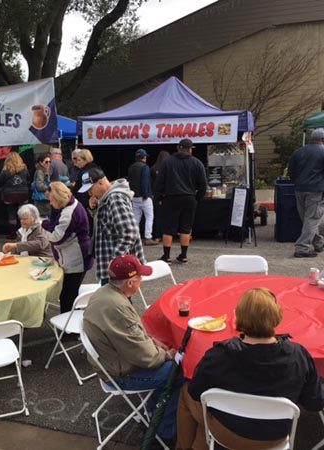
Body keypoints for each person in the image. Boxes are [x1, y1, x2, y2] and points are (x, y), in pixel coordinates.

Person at [176, 288, 324, 450]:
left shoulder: (219, 355)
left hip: (226, 433)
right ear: (277, 316)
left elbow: (196, 391)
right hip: (274, 438)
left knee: (186, 392)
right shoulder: (298, 355)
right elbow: (314, 402)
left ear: (238, 318)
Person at [83, 255, 180, 442]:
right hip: (120, 374)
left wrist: (151, 340)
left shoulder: (105, 292)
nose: (142, 281)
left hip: (110, 361)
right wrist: (166, 355)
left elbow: (133, 337)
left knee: (167, 358)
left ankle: (152, 411)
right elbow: (147, 358)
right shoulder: (117, 307)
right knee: (179, 372)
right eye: (139, 278)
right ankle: (164, 431)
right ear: (130, 283)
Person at [82, 167, 144, 285]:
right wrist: (94, 209)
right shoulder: (108, 198)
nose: (90, 193)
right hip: (116, 268)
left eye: (90, 189)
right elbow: (106, 223)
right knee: (117, 301)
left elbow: (129, 233)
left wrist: (114, 262)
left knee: (115, 301)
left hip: (117, 270)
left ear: (100, 182)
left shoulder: (114, 198)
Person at [42, 182, 93, 313]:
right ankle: (70, 325)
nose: (51, 204)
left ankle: (68, 329)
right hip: (77, 255)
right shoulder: (72, 204)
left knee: (67, 296)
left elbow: (56, 237)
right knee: (69, 293)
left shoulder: (68, 213)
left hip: (76, 258)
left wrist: (42, 226)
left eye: (51, 201)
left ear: (58, 198)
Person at [154, 139, 207, 264]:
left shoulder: (167, 162)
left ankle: (166, 256)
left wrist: (158, 198)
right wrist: (197, 198)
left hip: (170, 198)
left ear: (178, 148)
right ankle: (183, 255)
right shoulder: (197, 163)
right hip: (189, 198)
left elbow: (159, 183)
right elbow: (203, 185)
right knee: (186, 228)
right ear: (190, 149)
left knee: (168, 228)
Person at [288, 128, 324, 257]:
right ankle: (302, 248)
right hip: (316, 190)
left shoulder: (299, 151)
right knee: (312, 219)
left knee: (307, 218)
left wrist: (298, 181)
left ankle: (319, 243)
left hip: (299, 189)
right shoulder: (322, 151)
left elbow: (291, 171)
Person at [128, 149, 159, 246]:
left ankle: (134, 238)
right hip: (144, 196)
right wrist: (146, 194)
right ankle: (148, 238)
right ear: (144, 157)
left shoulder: (131, 167)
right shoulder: (145, 167)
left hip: (134, 196)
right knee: (149, 217)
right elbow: (145, 182)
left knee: (136, 219)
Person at [0, 152, 29, 237]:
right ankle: (24, 232)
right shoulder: (24, 168)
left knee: (11, 214)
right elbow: (28, 178)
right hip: (23, 194)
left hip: (10, 195)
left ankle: (13, 233)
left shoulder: (6, 169)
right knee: (23, 213)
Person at [150, 151, 170, 241]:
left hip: (156, 196)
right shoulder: (169, 168)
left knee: (157, 217)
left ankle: (157, 236)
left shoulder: (153, 169)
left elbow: (150, 183)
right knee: (168, 217)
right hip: (167, 196)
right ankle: (166, 236)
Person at [31, 153, 51, 218]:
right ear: (41, 162)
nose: (48, 163)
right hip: (41, 200)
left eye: (50, 161)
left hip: (42, 199)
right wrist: (50, 187)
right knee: (42, 217)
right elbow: (39, 186)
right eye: (46, 162)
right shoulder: (40, 171)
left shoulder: (44, 170)